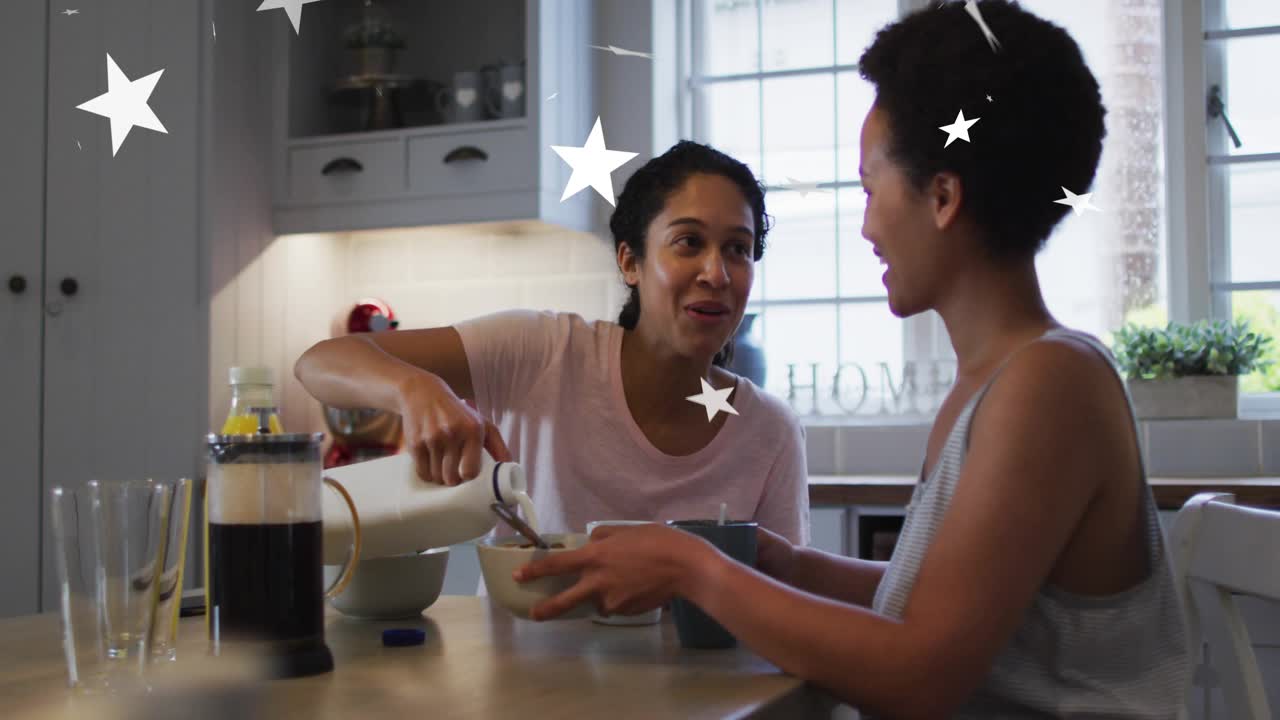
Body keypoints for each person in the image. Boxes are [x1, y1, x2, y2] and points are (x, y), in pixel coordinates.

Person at [515, 2, 1190, 717]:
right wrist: (790, 566)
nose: (866, 224)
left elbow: (920, 676)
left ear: (942, 197)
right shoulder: (995, 384)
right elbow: (941, 609)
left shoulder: (1048, 387)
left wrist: (695, 569)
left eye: (870, 188)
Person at [295, 141, 809, 547]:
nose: (716, 273)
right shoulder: (541, 352)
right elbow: (320, 362)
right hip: (521, 681)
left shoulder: (769, 432)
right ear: (629, 262)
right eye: (688, 242)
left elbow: (783, 606)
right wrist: (415, 389)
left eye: (738, 250)